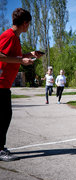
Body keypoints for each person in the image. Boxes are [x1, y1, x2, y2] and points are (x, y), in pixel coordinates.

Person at [0, 8, 44, 161]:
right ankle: (0, 150)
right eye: (29, 24)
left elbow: (13, 56)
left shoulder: (16, 38)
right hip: (0, 84)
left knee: (5, 116)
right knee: (4, 117)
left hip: (4, 85)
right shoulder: (8, 35)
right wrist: (21, 61)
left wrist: (29, 55)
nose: (29, 26)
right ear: (25, 23)